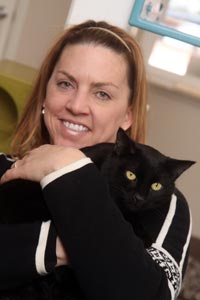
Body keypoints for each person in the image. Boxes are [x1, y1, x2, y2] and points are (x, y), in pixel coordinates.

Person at [0, 20, 191, 300]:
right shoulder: (5, 169)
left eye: (102, 94)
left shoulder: (164, 205)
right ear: (45, 94)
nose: (76, 106)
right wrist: (66, 246)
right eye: (65, 84)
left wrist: (66, 167)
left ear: (127, 115)